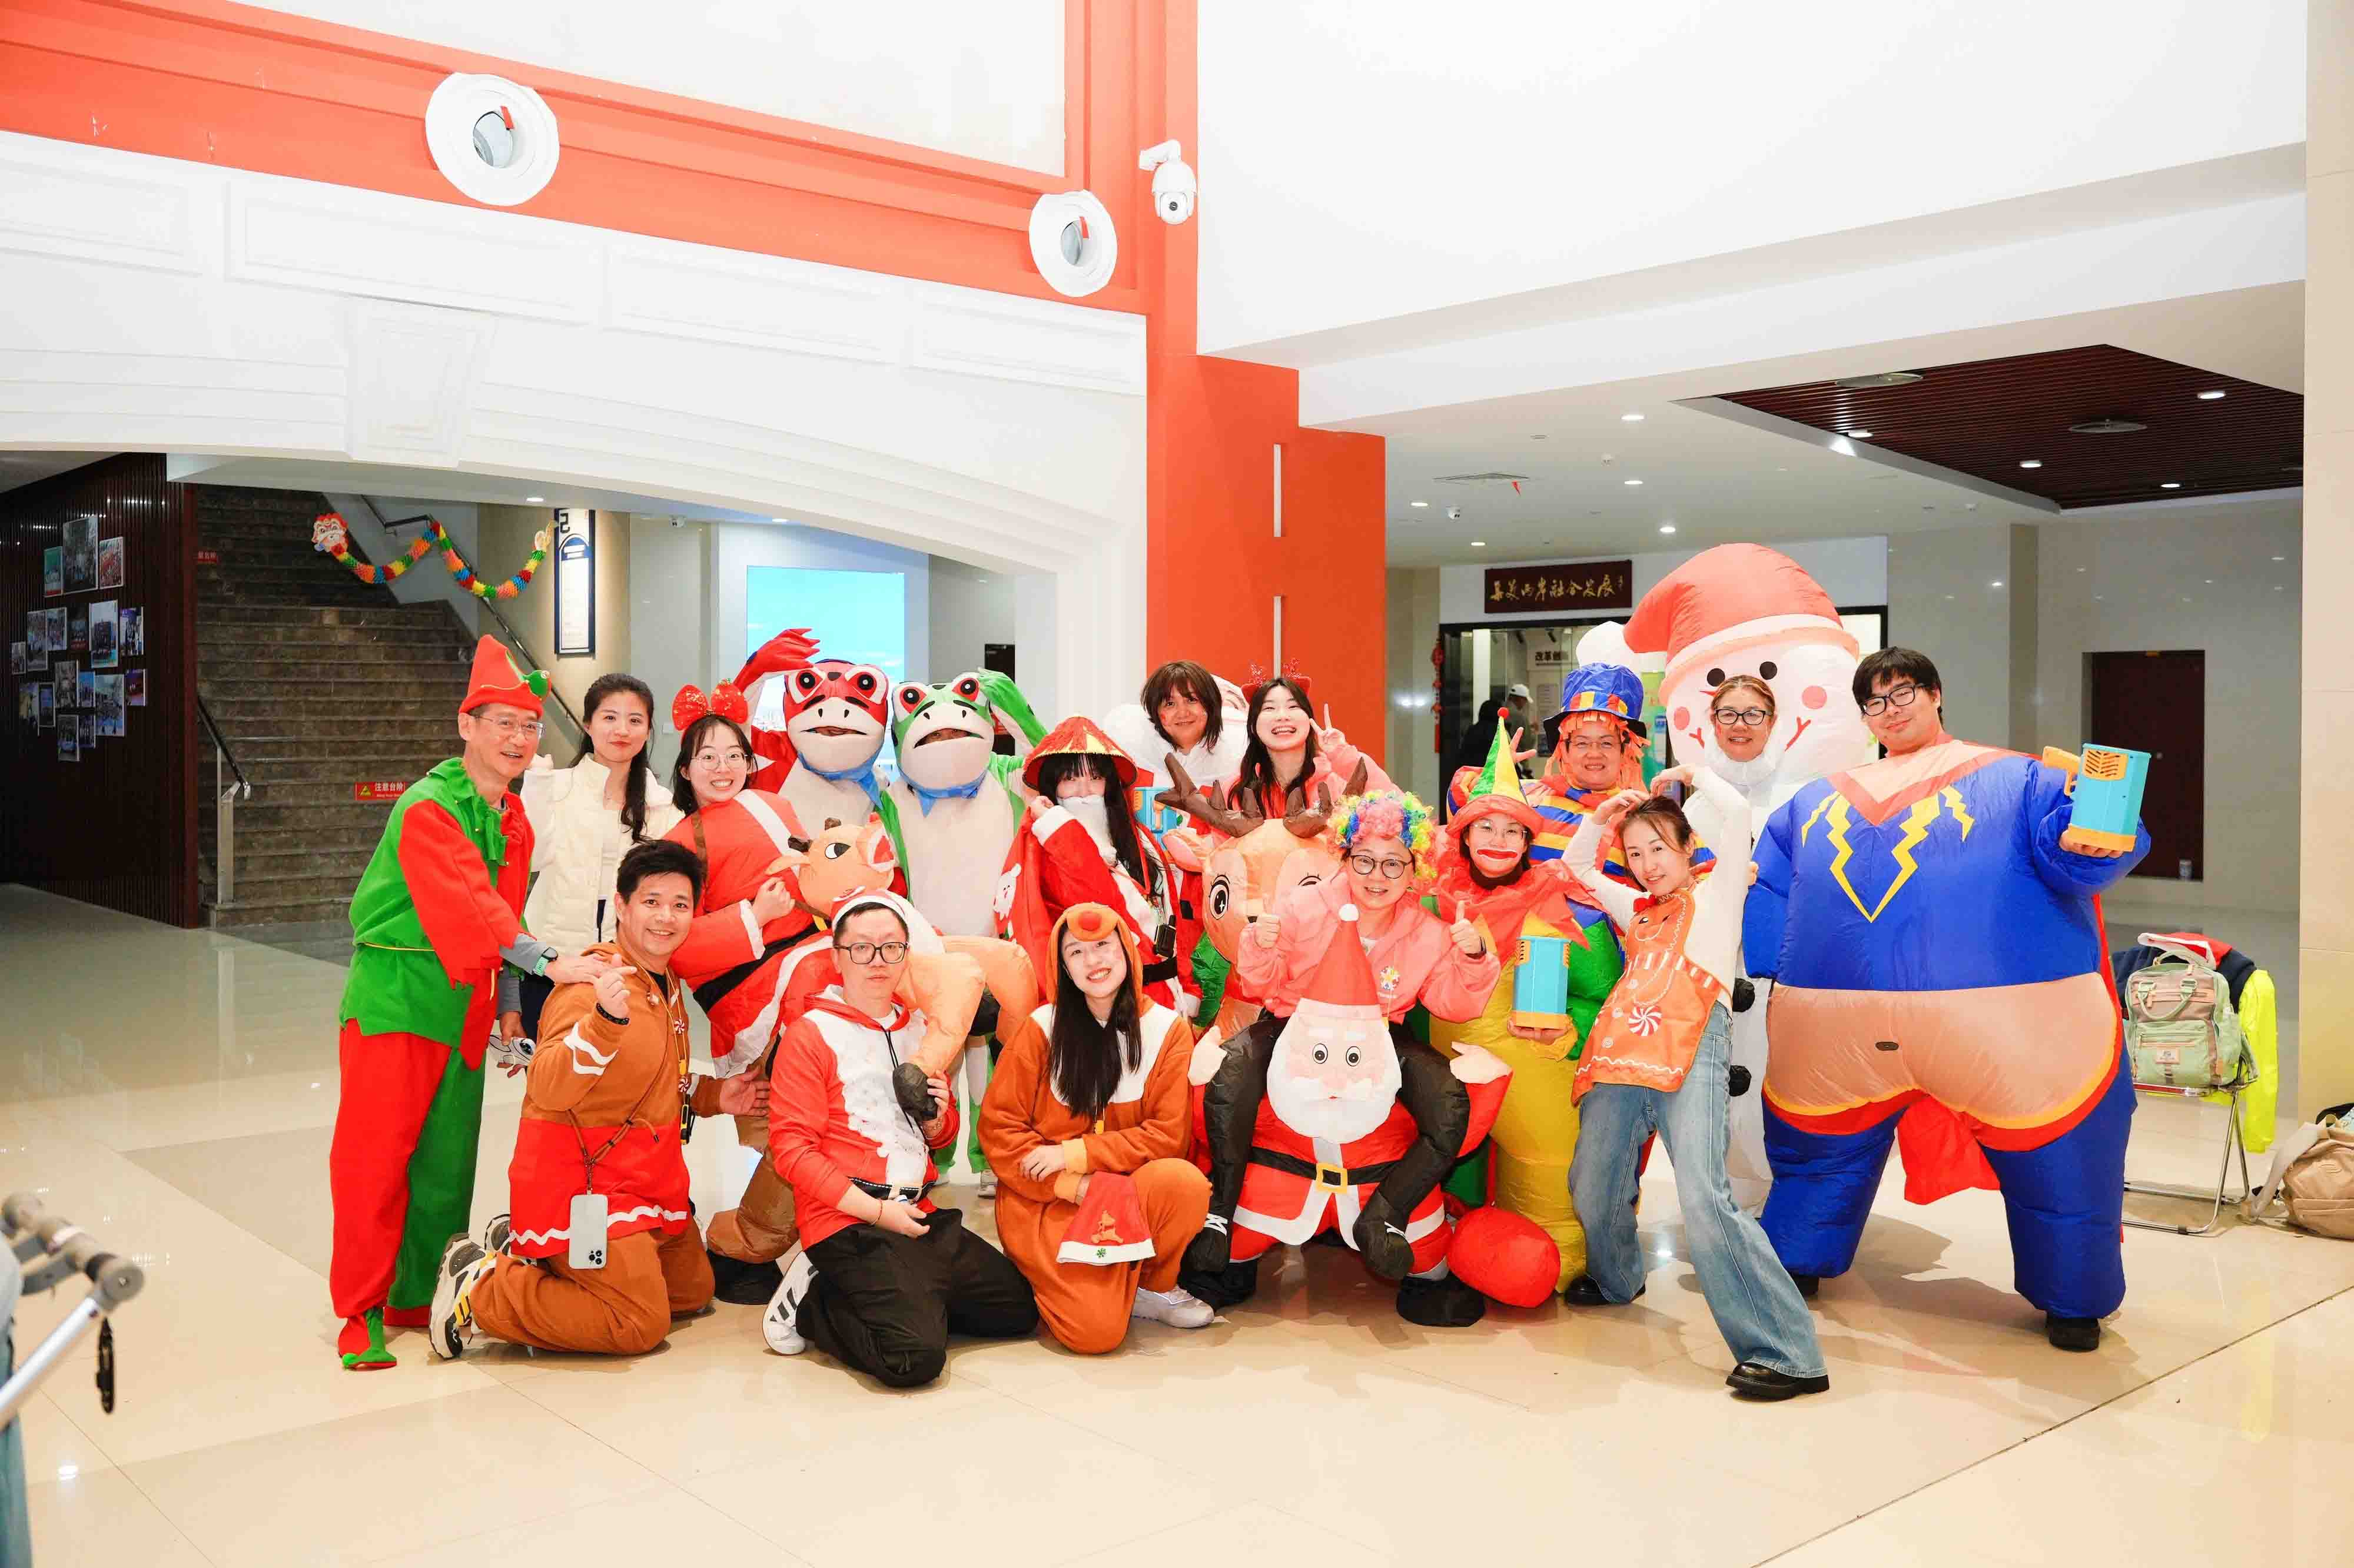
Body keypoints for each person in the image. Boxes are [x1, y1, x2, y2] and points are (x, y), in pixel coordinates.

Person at [1745, 649, 2146, 1351]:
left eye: (1901, 693)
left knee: (2062, 1163)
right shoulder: (1811, 802)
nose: (1889, 711)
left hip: (2005, 1024)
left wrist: (2093, 832)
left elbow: (2085, 857)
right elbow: (1767, 890)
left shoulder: (2024, 779)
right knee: (1816, 1159)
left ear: (1935, 694)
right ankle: (1795, 1257)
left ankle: (2073, 1298)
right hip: (1838, 1031)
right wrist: (1759, 964)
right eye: (1874, 702)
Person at [328, 637, 611, 1369]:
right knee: (374, 1159)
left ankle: (415, 1294)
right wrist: (549, 961)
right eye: (504, 724)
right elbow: (471, 904)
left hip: (466, 1005)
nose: (519, 739)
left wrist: (509, 1000)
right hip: (397, 1000)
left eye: (530, 727)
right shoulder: (429, 808)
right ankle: (360, 1309)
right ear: (467, 725)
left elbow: (503, 911)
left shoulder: (514, 818)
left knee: (447, 1164)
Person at [1562, 768, 1829, 1401]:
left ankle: (1786, 1352)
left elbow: (1736, 816)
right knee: (1591, 1181)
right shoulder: (1636, 911)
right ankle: (1617, 1277)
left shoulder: (1719, 895)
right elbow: (1578, 868)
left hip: (1692, 1049)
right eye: (1635, 853)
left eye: (1659, 848)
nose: (1647, 864)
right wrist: (1600, 819)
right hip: (1620, 1055)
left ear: (1688, 848)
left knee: (1705, 1197)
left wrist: (1693, 774)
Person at [1187, 789, 1500, 1309]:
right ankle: (1221, 1212)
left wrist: (1472, 959)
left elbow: (1452, 1004)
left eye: (1393, 864)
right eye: (1365, 860)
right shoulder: (1304, 905)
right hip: (1292, 1024)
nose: (1377, 876)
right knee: (1232, 1071)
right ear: (1345, 856)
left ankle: (1387, 1214)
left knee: (1448, 1103)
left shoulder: (1427, 931)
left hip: (1378, 1035)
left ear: (1414, 869)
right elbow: (1263, 985)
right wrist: (1260, 946)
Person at [427, 840, 713, 1358]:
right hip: (587, 1184)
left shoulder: (664, 982)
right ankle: (482, 1284)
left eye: (680, 904)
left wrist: (719, 1095)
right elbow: (546, 1086)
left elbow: (654, 1079)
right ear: (620, 906)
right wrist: (603, 1023)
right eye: (650, 902)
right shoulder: (591, 985)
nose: (666, 917)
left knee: (691, 1293)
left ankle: (532, 1253)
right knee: (636, 1323)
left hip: (649, 1181)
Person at [759, 894, 1039, 1385]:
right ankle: (813, 1300)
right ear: (837, 957)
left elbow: (941, 1136)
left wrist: (937, 1120)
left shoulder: (921, 1030)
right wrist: (875, 1213)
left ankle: (908, 1295)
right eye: (861, 948)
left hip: (917, 1211)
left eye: (891, 947)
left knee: (1017, 1311)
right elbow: (792, 1151)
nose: (877, 961)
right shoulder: (810, 1034)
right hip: (848, 1220)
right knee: (912, 1360)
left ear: (907, 954)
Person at [1426, 715, 1622, 1288]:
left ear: (1529, 842)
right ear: (1463, 836)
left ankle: (1556, 1264)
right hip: (1447, 1086)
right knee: (1445, 1188)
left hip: (1537, 1086)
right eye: (1484, 828)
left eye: (1512, 831)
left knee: (1548, 1226)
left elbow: (1607, 1000)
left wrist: (1569, 1030)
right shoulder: (1433, 904)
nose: (1498, 841)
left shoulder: (1566, 909)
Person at [980, 903, 1213, 1351]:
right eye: (1076, 952)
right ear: (1063, 967)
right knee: (1095, 1334)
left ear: (1126, 950)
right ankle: (1080, 1281)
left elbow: (1168, 1136)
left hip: (1131, 1191)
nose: (1093, 961)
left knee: (1183, 1182)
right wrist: (1070, 1183)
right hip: (1048, 1201)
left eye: (1103, 945)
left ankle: (1150, 1285)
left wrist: (1074, 1154)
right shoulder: (1039, 1029)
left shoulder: (1167, 1030)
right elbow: (1000, 1130)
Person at [660, 702, 818, 1301]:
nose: (722, 767)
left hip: (816, 963)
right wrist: (755, 915)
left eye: (734, 755)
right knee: (791, 1111)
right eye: (708, 757)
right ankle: (746, 1239)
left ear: (751, 763)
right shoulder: (680, 841)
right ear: (686, 769)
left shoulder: (778, 805)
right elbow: (674, 942)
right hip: (754, 988)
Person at [881, 670, 1048, 1188]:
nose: (948, 740)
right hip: (928, 954)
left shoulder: (1007, 777)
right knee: (936, 1060)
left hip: (1001, 949)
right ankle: (936, 1156)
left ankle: (992, 1155)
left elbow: (1051, 759)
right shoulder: (892, 797)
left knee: (1000, 1060)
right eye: (935, 733)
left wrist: (1010, 701)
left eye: (959, 729)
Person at [517, 673, 683, 1035]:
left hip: (629, 966)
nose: (622, 730)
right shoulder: (553, 786)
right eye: (610, 717)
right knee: (552, 1066)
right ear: (588, 724)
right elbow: (530, 860)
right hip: (555, 961)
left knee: (623, 1066)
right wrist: (537, 787)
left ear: (648, 730)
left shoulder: (663, 807)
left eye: (635, 720)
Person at [1001, 718, 1184, 1012]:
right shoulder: (1046, 846)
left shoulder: (1137, 836)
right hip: (1101, 1002)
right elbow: (1099, 904)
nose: (1084, 791)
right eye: (1070, 779)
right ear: (1053, 786)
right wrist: (1059, 829)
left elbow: (1170, 911)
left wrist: (1188, 983)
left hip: (1168, 993)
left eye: (1095, 777)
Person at [1709, 674, 1781, 1213]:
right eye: (1728, 714)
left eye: (1753, 713)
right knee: (1713, 1081)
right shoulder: (1693, 798)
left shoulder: (1798, 794)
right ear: (1712, 723)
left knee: (1767, 1076)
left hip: (1771, 962)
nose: (1740, 725)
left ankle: (1768, 1198)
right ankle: (1720, 1200)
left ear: (1772, 722)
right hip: (1709, 961)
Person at [1225, 675, 1393, 817]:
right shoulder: (1236, 791)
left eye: (1293, 706)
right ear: (1253, 726)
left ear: (1309, 719)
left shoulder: (1338, 781)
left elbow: (1395, 811)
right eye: (1269, 708)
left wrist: (1342, 755)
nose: (1282, 716)